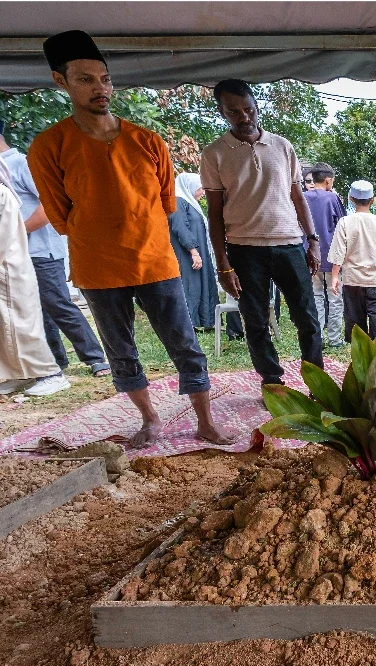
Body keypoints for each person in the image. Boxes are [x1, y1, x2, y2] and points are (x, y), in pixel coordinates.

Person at [28, 30, 234, 445]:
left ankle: (205, 422)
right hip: (98, 268)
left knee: (185, 344)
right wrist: (99, 233)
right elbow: (59, 213)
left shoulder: (147, 140)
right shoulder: (48, 146)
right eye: (85, 79)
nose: (100, 88)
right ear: (60, 81)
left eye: (104, 78)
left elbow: (165, 202)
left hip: (155, 260)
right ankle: (149, 419)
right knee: (120, 351)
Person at [201, 78, 324, 388]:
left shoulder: (282, 146)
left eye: (249, 109)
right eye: (234, 112)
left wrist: (313, 241)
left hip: (289, 245)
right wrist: (223, 264)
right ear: (221, 112)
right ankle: (272, 382)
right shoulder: (214, 153)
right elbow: (214, 213)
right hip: (244, 250)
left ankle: (317, 381)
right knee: (255, 321)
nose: (244, 118)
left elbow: (298, 198)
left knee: (307, 319)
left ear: (256, 107)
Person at [0, 124, 109, 378]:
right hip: (16, 254)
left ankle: (96, 358)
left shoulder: (20, 164)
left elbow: (49, 206)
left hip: (41, 250)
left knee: (57, 304)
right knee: (33, 308)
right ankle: (55, 362)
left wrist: (16, 232)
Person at [0, 154, 71, 396]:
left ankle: (52, 374)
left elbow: (8, 234)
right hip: (7, 267)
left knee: (27, 320)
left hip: (14, 266)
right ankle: (21, 373)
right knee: (8, 326)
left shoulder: (4, 196)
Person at [329, 180, 376, 341]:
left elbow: (338, 252)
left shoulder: (345, 222)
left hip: (352, 281)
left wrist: (334, 277)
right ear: (372, 199)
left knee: (355, 327)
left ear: (352, 199)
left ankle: (359, 360)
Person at [304, 162, 347, 347]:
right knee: (335, 297)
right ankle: (335, 338)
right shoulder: (332, 198)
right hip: (332, 256)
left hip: (309, 255)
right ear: (329, 180)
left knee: (316, 297)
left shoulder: (303, 197)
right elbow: (342, 223)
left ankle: (318, 336)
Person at [168, 173, 218, 330]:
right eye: (200, 188)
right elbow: (180, 228)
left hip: (198, 251)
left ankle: (206, 321)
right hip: (187, 254)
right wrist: (193, 252)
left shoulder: (189, 202)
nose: (202, 191)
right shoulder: (178, 202)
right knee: (191, 287)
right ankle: (189, 324)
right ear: (189, 186)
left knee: (203, 284)